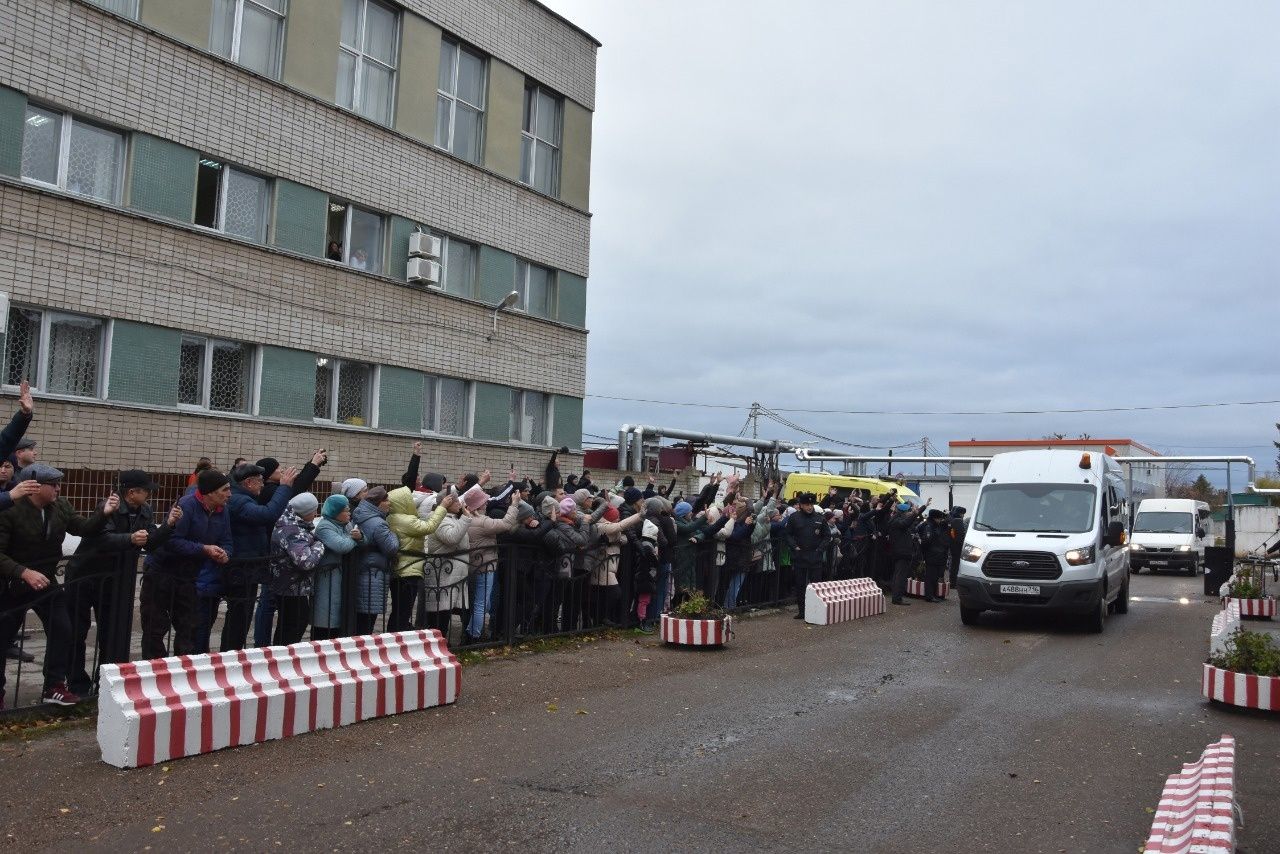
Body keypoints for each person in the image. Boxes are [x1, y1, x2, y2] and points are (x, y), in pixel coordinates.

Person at [0, 464, 114, 707]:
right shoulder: (9, 509)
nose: (58, 489)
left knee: (63, 629)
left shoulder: (59, 506)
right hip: (11, 584)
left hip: (46, 581)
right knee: (3, 638)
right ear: (34, 486)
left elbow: (82, 528)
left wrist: (103, 513)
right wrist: (24, 572)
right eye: (53, 484)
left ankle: (53, 687)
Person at [66, 469, 180, 695]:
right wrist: (129, 539)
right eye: (146, 491)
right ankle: (77, 684)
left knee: (113, 631)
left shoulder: (145, 510)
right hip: (86, 576)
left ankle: (107, 684)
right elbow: (100, 538)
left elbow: (150, 543)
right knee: (77, 632)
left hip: (116, 580)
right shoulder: (109, 505)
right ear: (131, 492)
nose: (149, 495)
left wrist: (168, 525)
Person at [141, 468, 233, 660]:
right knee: (155, 627)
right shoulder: (186, 505)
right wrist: (204, 549)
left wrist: (225, 554)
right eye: (225, 490)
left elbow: (226, 540)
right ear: (210, 492)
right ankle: (156, 671)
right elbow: (172, 541)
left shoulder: (222, 511)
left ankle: (183, 671)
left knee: (189, 627)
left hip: (189, 576)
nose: (229, 494)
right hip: (161, 573)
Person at [217, 461, 298, 651]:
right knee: (238, 617)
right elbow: (268, 514)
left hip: (246, 568)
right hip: (241, 568)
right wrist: (284, 488)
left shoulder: (242, 498)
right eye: (260, 481)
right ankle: (230, 655)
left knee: (241, 616)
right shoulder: (239, 501)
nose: (263, 484)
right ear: (249, 483)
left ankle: (232, 652)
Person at [386, 484, 448, 631]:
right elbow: (429, 527)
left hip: (401, 569)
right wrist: (442, 507)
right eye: (409, 499)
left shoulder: (393, 518)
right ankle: (397, 640)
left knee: (398, 610)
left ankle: (394, 637)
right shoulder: (405, 520)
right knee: (403, 611)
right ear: (403, 503)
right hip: (408, 571)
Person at [268, 493, 325, 645]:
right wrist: (319, 545)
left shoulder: (290, 524)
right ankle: (284, 657)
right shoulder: (293, 530)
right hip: (291, 585)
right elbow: (305, 562)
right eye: (314, 510)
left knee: (290, 624)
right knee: (293, 624)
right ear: (306, 512)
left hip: (289, 584)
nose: (315, 513)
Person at [465, 491, 519, 642]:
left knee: (481, 602)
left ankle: (471, 632)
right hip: (485, 567)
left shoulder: (467, 519)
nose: (487, 503)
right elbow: (507, 524)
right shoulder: (482, 521)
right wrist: (514, 504)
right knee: (482, 603)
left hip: (474, 565)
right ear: (478, 505)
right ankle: (474, 636)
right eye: (484, 501)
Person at [312, 495, 361, 640]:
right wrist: (354, 538)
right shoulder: (324, 526)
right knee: (326, 616)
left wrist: (360, 537)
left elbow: (361, 539)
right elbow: (341, 546)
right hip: (327, 577)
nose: (349, 512)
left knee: (340, 616)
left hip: (343, 577)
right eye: (346, 510)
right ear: (336, 511)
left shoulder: (346, 524)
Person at [352, 487, 397, 635]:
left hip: (361, 570)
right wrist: (394, 536)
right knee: (367, 620)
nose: (389, 503)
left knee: (360, 619)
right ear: (378, 503)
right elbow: (391, 548)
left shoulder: (359, 515)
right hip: (374, 574)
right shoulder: (378, 523)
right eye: (386, 500)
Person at [784, 492, 830, 619]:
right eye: (806, 504)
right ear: (801, 505)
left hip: (815, 556)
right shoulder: (794, 517)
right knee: (800, 585)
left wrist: (820, 549)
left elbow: (827, 535)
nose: (809, 507)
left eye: (811, 504)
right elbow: (787, 534)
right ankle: (802, 611)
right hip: (800, 556)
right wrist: (794, 546)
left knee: (816, 585)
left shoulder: (820, 518)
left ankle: (815, 610)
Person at [887, 499, 929, 605]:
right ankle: (897, 598)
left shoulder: (895, 519)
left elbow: (911, 517)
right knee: (900, 576)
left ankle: (897, 596)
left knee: (898, 574)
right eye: (907, 511)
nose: (908, 513)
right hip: (902, 552)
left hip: (898, 552)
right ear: (903, 512)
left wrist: (924, 506)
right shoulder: (897, 522)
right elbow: (907, 521)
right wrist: (915, 513)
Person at [918, 509, 952, 602]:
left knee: (935, 576)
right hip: (932, 554)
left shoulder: (932, 525)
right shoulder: (930, 526)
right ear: (935, 518)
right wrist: (926, 551)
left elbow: (948, 521)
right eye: (939, 518)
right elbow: (926, 541)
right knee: (931, 577)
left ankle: (933, 594)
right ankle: (929, 596)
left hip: (936, 554)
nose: (940, 520)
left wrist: (947, 515)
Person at [949, 507, 968, 586]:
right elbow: (960, 535)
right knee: (956, 565)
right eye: (963, 514)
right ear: (961, 513)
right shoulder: (959, 521)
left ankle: (952, 581)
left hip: (952, 545)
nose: (963, 516)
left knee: (953, 564)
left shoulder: (952, 519)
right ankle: (954, 582)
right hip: (957, 547)